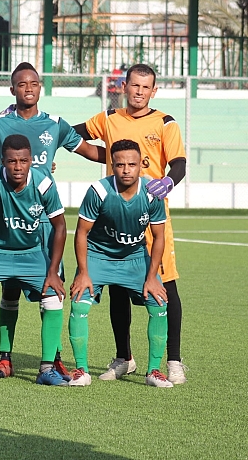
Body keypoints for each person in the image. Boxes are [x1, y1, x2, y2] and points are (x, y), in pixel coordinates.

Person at [0, 61, 105, 380]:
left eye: (33, 83)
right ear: (12, 89)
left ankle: (53, 360)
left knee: (52, 287)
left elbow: (89, 151)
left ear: (40, 87)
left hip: (45, 220)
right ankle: (5, 359)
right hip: (9, 218)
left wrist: (123, 158)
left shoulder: (55, 124)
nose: (28, 89)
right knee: (9, 290)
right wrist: (3, 165)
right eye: (22, 84)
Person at [73, 63, 187, 384]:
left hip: (151, 215)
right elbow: (74, 135)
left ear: (154, 91)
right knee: (117, 288)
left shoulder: (165, 122)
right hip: (114, 213)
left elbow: (179, 162)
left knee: (165, 286)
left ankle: (173, 360)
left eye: (145, 87)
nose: (139, 92)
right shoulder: (109, 118)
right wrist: (51, 147)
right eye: (134, 85)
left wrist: (168, 182)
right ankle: (124, 358)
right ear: (124, 86)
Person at [0, 134, 68, 385]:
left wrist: (53, 272)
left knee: (54, 297)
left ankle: (46, 369)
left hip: (31, 252)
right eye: (11, 161)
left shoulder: (44, 184)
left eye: (23, 161)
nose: (18, 167)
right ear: (2, 161)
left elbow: (60, 227)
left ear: (31, 160)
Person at [68, 139, 172, 388]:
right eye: (120, 165)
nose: (126, 170)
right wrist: (83, 273)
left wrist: (151, 277)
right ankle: (81, 370)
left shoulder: (152, 193)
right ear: (112, 165)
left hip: (135, 257)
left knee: (159, 302)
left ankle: (154, 371)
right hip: (98, 256)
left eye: (131, 165)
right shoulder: (99, 191)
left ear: (141, 165)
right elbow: (81, 233)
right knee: (78, 303)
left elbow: (159, 237)